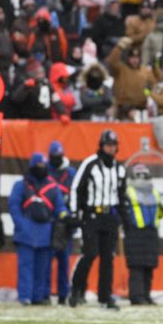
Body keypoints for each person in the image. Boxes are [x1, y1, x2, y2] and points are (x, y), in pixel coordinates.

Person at [68, 129, 127, 310]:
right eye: (107, 145)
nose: (110, 149)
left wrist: (124, 219)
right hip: (92, 215)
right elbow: (76, 188)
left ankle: (105, 297)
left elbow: (122, 194)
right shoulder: (91, 164)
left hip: (110, 216)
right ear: (101, 146)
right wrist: (74, 212)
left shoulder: (119, 169)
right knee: (90, 253)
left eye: (113, 146)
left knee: (108, 258)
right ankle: (77, 289)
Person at [8, 152, 67, 305]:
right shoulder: (21, 185)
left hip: (45, 233)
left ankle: (39, 297)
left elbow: (60, 207)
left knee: (43, 269)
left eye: (43, 166)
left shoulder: (53, 187)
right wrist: (21, 224)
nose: (41, 169)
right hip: (26, 232)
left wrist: (64, 216)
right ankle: (25, 297)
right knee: (26, 268)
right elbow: (13, 206)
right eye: (38, 166)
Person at [121, 164, 163, 305]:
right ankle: (136, 296)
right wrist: (128, 226)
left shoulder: (154, 193)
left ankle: (146, 295)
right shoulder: (128, 191)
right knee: (136, 267)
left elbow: (160, 213)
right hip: (135, 233)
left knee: (148, 267)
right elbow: (123, 211)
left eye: (144, 175)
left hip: (151, 233)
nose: (142, 179)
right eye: (139, 176)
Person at [45, 141, 76, 303]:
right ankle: (45, 293)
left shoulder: (70, 173)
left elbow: (76, 195)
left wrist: (72, 217)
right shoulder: (44, 171)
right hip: (48, 221)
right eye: (54, 157)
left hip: (65, 224)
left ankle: (64, 293)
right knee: (46, 261)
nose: (56, 159)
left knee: (64, 261)